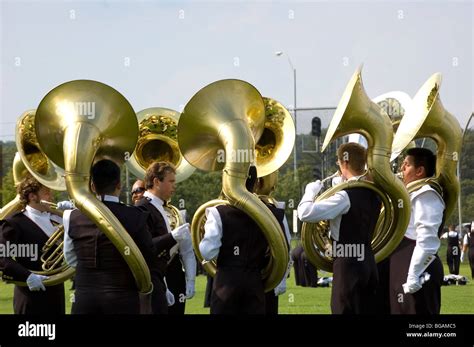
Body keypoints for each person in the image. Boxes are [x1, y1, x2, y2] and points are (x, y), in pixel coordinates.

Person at [63, 159, 160, 314]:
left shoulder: (71, 216)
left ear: (93, 186)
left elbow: (70, 258)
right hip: (123, 301)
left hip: (84, 301)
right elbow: (149, 257)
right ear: (119, 185)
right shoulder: (136, 216)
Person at [298, 142, 380, 314]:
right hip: (369, 263)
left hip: (347, 265)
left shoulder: (345, 196)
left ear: (345, 163)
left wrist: (310, 192)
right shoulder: (374, 193)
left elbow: (305, 213)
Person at [199, 166, 272, 314]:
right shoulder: (270, 212)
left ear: (228, 181)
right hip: (255, 284)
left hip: (226, 285)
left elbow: (207, 253)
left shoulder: (217, 212)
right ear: (256, 183)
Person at [0, 175, 70, 314]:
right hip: (29, 294)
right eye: (46, 192)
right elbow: (2, 258)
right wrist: (27, 276)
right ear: (32, 196)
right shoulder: (14, 222)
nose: (51, 196)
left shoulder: (58, 218)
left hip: (56, 292)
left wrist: (73, 211)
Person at [389, 148, 445, 314]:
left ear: (420, 171)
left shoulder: (426, 194)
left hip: (417, 268)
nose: (401, 169)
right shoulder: (409, 194)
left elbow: (427, 240)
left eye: (406, 165)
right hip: (403, 263)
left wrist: (413, 274)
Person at [136, 161, 195, 314]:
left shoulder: (160, 207)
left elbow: (186, 251)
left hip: (165, 280)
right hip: (153, 282)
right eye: (171, 181)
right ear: (156, 182)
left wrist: (189, 279)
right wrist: (173, 236)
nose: (174, 186)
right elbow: (145, 248)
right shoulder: (142, 208)